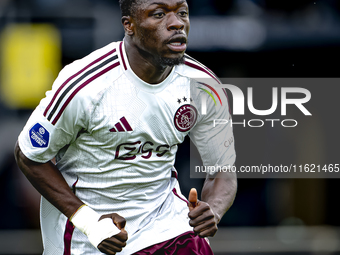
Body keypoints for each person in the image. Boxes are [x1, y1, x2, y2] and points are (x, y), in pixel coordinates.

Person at [14, 0, 237, 254]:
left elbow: (222, 170)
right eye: (159, 14)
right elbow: (28, 155)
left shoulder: (203, 85)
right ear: (129, 25)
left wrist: (213, 211)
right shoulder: (85, 85)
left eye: (182, 13)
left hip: (168, 229)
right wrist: (89, 223)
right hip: (91, 239)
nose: (177, 23)